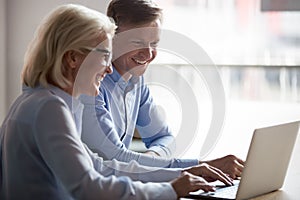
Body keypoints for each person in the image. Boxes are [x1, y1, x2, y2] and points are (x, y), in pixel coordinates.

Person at [0, 4, 234, 200]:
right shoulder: (50, 108)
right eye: (104, 55)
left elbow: (102, 167)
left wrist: (179, 174)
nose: (109, 67)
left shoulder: (38, 102)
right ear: (72, 57)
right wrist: (170, 189)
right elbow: (88, 187)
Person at [81, 0, 244, 179]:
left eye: (155, 44)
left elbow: (164, 138)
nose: (149, 54)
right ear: (110, 38)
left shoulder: (136, 82)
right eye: (137, 42)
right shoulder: (91, 86)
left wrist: (150, 162)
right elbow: (115, 157)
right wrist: (199, 166)